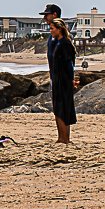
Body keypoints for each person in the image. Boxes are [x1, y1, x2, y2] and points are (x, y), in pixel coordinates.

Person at [47, 15, 79, 143]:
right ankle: (62, 137)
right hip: (58, 79)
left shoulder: (64, 44)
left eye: (52, 28)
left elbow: (69, 64)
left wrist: (72, 80)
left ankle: (64, 138)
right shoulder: (58, 43)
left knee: (61, 109)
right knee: (59, 108)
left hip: (63, 80)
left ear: (59, 29)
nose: (51, 31)